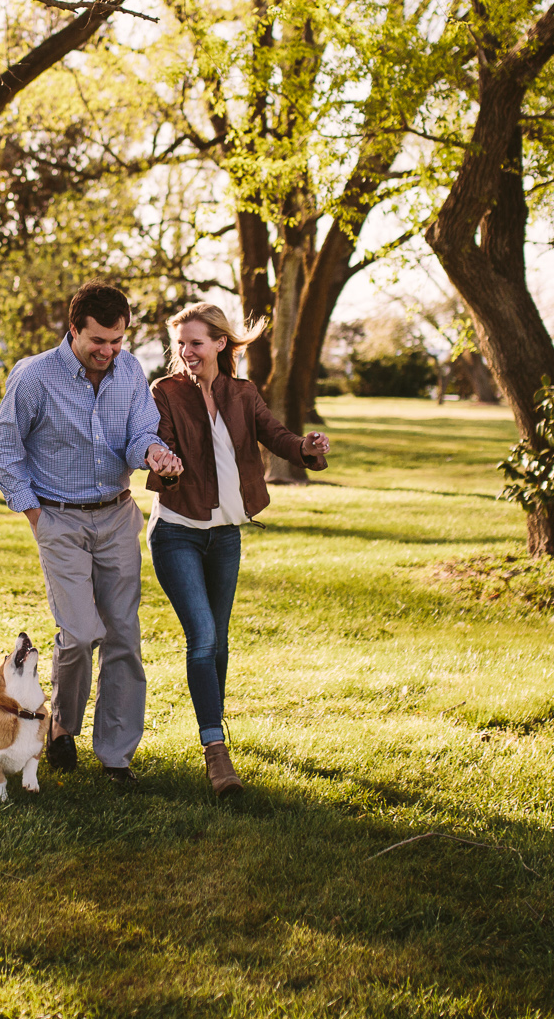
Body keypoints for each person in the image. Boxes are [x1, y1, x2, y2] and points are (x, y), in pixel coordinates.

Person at [0, 281, 185, 783]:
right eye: (98, 341)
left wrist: (153, 454)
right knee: (78, 636)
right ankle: (62, 726)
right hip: (59, 517)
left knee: (123, 636)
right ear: (73, 329)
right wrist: (35, 515)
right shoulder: (35, 378)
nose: (108, 351)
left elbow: (141, 432)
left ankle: (116, 756)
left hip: (117, 514)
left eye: (117, 341)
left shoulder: (130, 371)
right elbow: (2, 450)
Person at [146, 302, 329, 796]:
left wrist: (307, 449)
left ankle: (214, 727)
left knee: (219, 643)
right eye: (180, 343)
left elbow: (276, 435)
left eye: (196, 342)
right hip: (177, 531)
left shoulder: (243, 393)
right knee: (202, 637)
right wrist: (163, 462)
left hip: (225, 535)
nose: (186, 352)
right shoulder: (165, 392)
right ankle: (215, 751)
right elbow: (158, 440)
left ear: (221, 343)